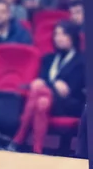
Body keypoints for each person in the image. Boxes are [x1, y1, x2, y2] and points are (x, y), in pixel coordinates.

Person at [6, 21, 85, 153]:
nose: (58, 38)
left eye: (63, 34)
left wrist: (47, 84)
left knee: (39, 91)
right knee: (42, 102)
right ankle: (37, 150)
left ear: (73, 37)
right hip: (46, 100)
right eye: (56, 34)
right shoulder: (48, 58)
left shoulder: (82, 61)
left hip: (69, 103)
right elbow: (44, 81)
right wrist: (52, 84)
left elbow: (69, 90)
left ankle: (19, 138)